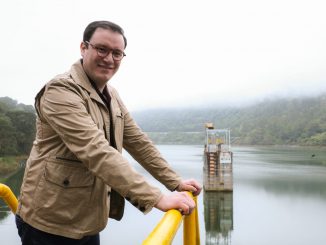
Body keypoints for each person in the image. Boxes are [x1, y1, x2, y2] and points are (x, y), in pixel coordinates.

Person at [16, 20, 202, 245]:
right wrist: (157, 198)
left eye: (117, 53)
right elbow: (96, 150)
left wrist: (175, 182)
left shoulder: (111, 95)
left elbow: (137, 141)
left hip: (87, 221)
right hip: (48, 222)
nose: (109, 58)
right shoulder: (60, 91)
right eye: (101, 49)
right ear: (84, 48)